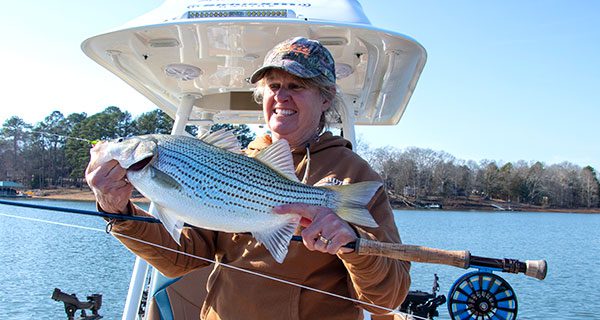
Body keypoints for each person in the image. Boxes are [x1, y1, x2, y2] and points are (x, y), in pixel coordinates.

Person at [86, 37, 410, 319]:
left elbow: (386, 300)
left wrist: (352, 245)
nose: (282, 97)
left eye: (296, 86)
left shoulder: (355, 175)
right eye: (274, 86)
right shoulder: (237, 162)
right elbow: (182, 258)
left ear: (325, 98)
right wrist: (119, 213)